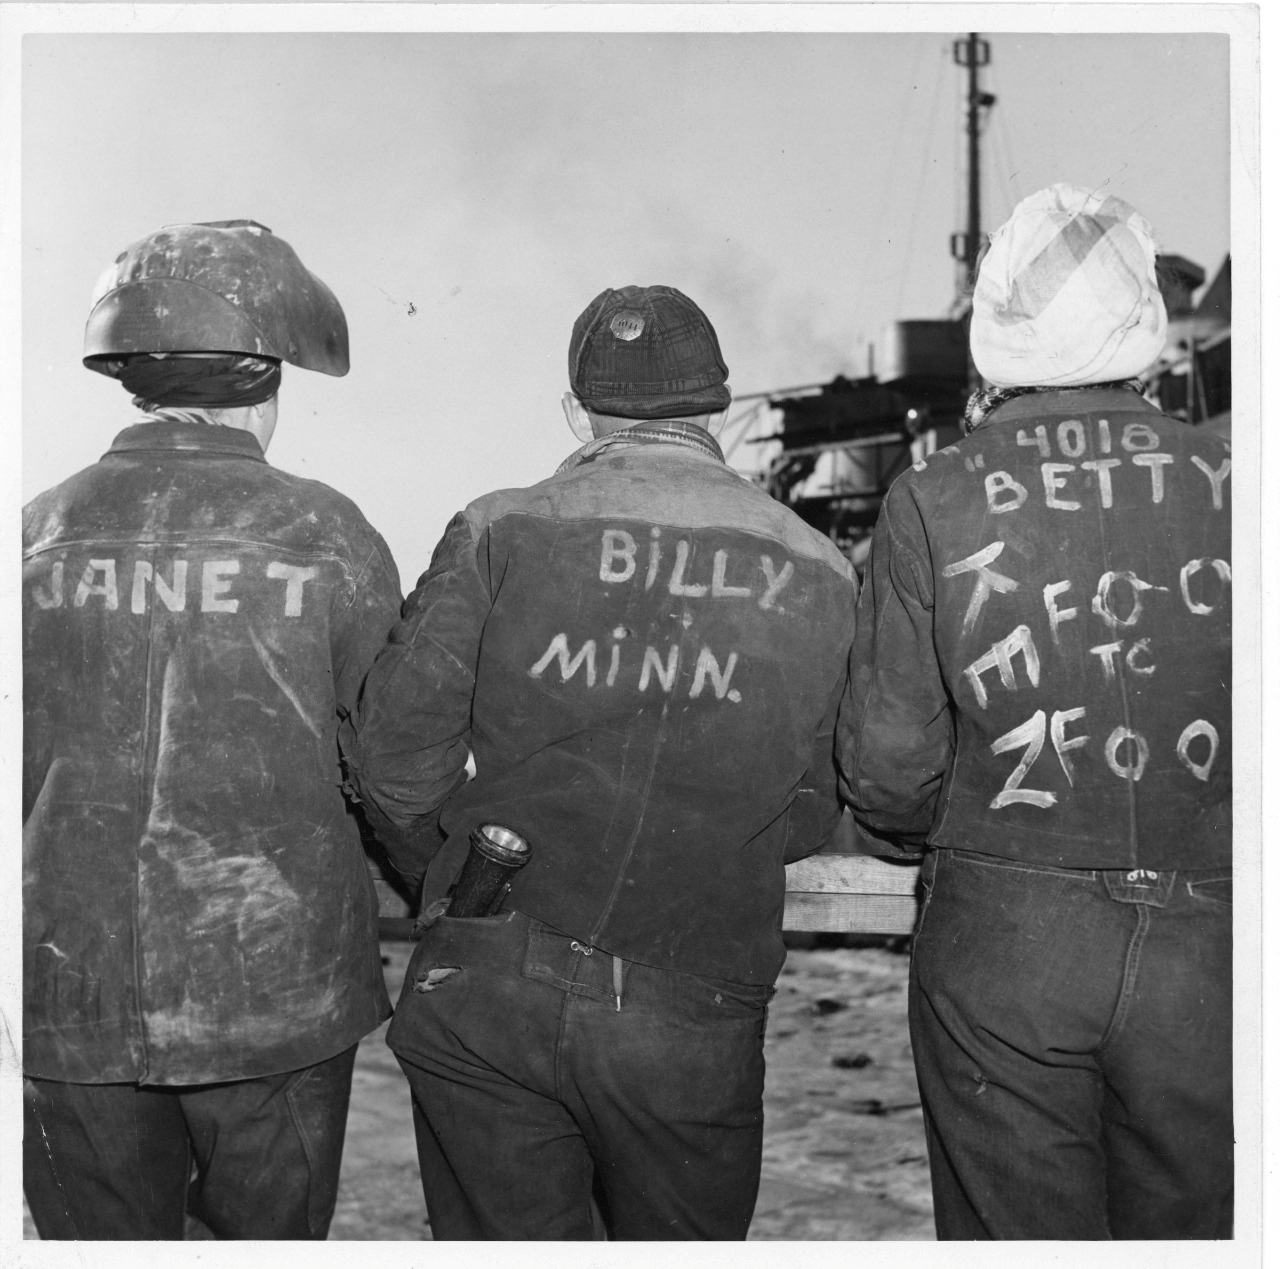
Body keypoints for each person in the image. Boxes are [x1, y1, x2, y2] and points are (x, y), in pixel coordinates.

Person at [341, 285, 858, 1239]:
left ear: (576, 412)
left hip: (490, 986)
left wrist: (451, 886)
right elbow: (822, 798)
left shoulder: (502, 527)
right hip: (688, 1009)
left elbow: (394, 760)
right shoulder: (821, 566)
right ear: (714, 408)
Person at [836, 184, 1232, 1239]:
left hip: (1009, 935)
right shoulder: (1239, 479)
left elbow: (886, 767)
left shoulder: (933, 494)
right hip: (1220, 935)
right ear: (1145, 325)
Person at [22, 220, 403, 1240]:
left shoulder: (34, 531)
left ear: (131, 380)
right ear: (269, 378)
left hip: (69, 990)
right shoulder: (326, 531)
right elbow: (391, 758)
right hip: (275, 994)